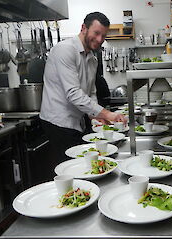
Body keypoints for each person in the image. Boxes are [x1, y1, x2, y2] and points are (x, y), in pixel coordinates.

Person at [40, 12, 126, 167]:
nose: (100, 39)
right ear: (84, 28)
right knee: (70, 168)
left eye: (103, 36)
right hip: (58, 122)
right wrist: (108, 114)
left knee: (83, 165)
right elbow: (73, 93)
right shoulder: (65, 50)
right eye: (96, 33)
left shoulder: (92, 59)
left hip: (77, 122)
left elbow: (91, 92)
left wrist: (95, 115)